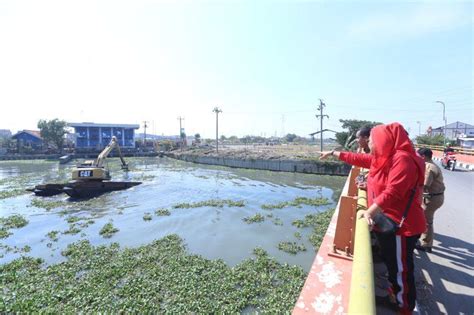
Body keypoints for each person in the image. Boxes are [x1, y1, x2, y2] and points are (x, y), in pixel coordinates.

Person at [320, 122, 426, 314]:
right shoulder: (387, 157)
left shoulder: (402, 159)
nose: (371, 143)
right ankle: (394, 295)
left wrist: (369, 211)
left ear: (385, 139)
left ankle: (404, 306)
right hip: (391, 221)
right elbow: (360, 159)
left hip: (403, 226)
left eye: (372, 140)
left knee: (401, 269)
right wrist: (335, 153)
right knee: (393, 264)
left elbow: (394, 192)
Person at [416, 148, 445, 253]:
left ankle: (426, 245)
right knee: (426, 219)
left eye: (418, 156)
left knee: (427, 221)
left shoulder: (429, 167)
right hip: (435, 197)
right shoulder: (431, 165)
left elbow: (424, 185)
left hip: (432, 198)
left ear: (423, 157)